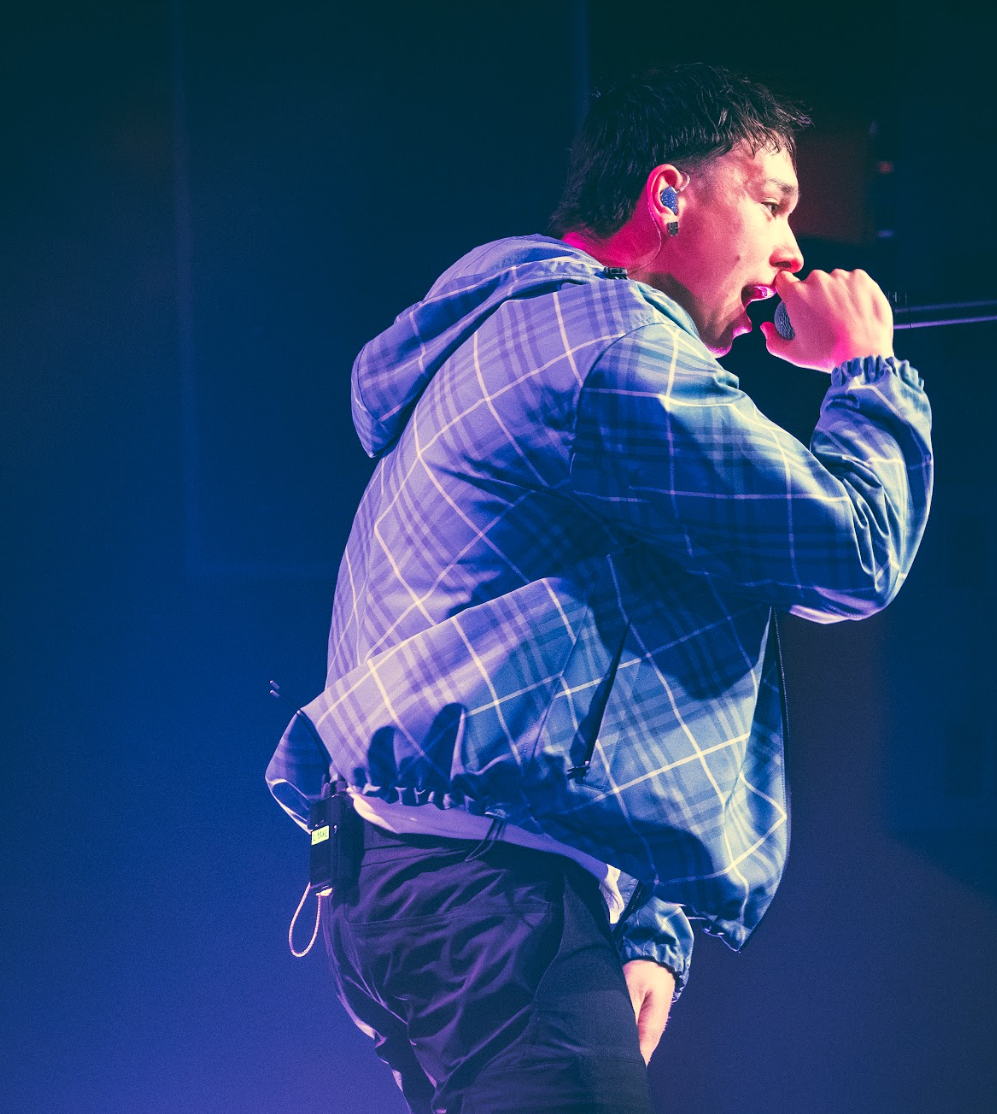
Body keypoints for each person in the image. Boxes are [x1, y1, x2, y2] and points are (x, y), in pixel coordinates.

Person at [266, 63, 933, 1113]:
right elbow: (851, 551)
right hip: (488, 892)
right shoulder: (604, 341)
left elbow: (638, 648)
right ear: (668, 196)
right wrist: (868, 373)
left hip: (427, 883)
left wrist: (651, 927)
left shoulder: (527, 328)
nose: (795, 252)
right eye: (772, 204)